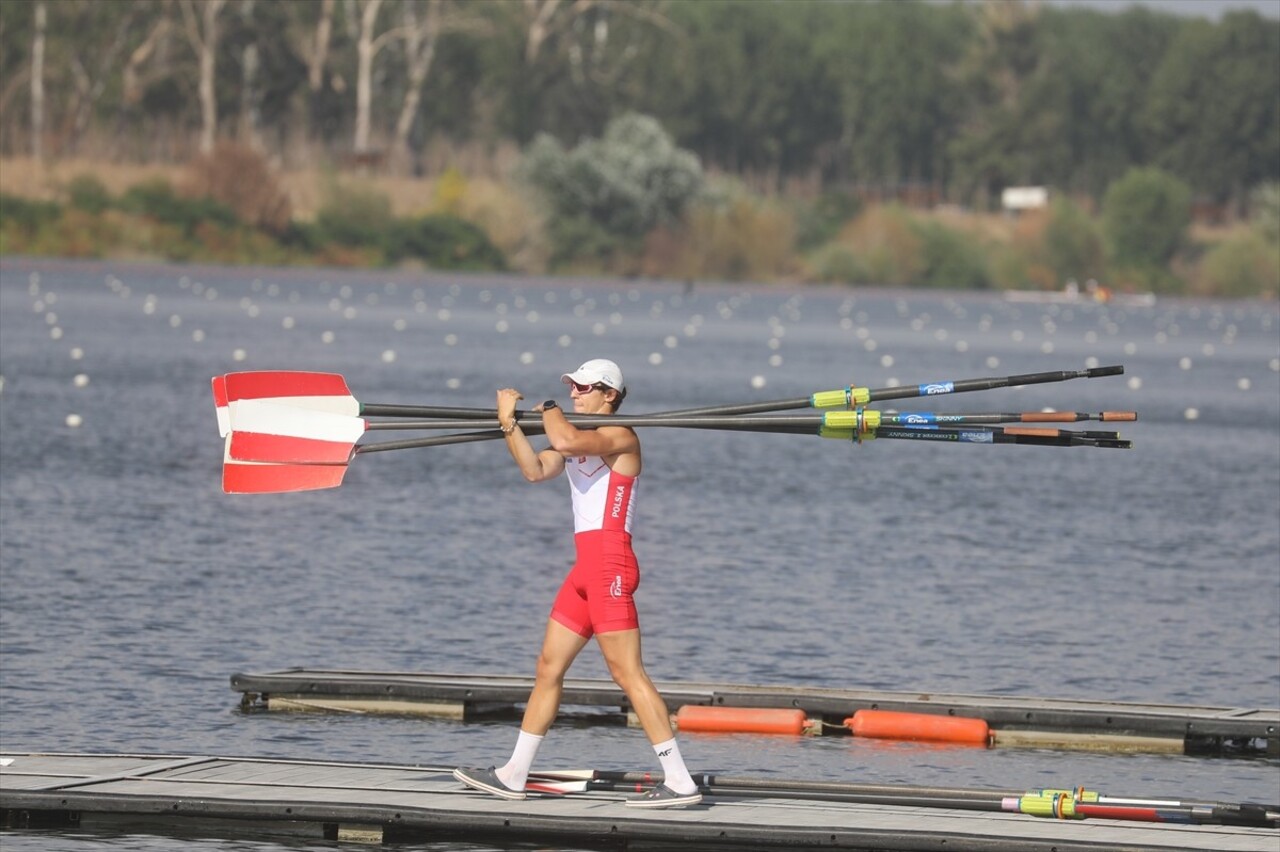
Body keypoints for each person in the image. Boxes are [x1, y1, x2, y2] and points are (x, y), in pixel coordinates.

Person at [454, 359, 702, 809]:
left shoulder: (622, 436)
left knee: (627, 673)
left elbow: (564, 438)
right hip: (584, 571)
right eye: (570, 387)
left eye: (584, 387)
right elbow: (534, 468)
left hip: (610, 564)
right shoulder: (574, 440)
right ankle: (513, 773)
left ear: (610, 395)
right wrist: (509, 424)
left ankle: (679, 780)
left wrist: (545, 406)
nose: (574, 393)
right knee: (548, 668)